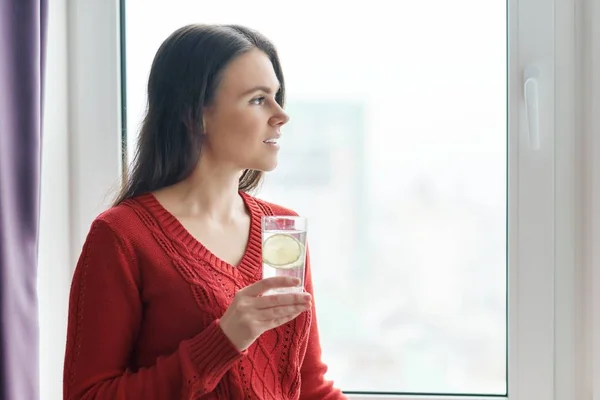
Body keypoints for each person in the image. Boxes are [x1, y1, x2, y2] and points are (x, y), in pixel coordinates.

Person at [62, 24, 346, 400]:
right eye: (258, 99)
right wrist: (223, 340)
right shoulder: (122, 236)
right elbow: (87, 396)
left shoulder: (281, 230)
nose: (281, 115)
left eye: (277, 97)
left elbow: (309, 386)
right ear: (196, 115)